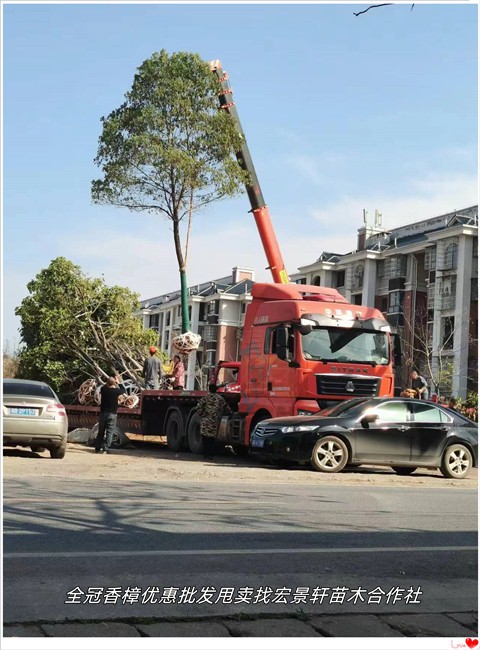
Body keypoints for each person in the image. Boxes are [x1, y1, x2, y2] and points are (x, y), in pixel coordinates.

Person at [196, 383, 233, 457]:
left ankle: (205, 454)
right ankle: (211, 454)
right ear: (216, 390)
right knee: (212, 439)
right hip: (214, 421)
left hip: (206, 420)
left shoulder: (205, 398)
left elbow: (198, 407)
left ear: (209, 390)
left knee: (205, 438)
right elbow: (226, 408)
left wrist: (202, 414)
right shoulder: (220, 398)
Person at [95, 375, 126, 454]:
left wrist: (110, 381)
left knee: (101, 431)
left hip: (103, 414)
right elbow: (123, 390)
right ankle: (105, 449)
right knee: (109, 432)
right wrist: (118, 382)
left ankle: (97, 448)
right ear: (114, 383)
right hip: (112, 414)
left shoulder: (103, 390)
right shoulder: (116, 391)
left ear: (107, 383)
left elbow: (106, 385)